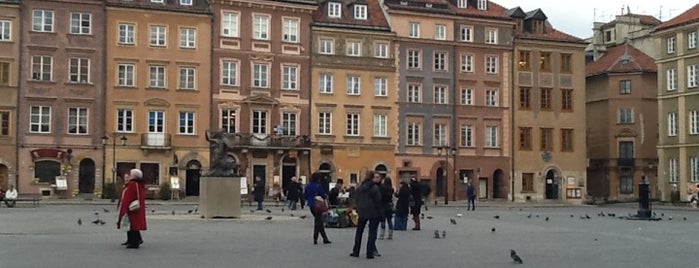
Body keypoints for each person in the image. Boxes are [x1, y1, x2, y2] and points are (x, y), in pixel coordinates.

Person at [350, 171, 383, 259]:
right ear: (372, 178)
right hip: (374, 212)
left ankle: (356, 251)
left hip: (362, 211)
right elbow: (378, 200)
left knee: (359, 232)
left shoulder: (360, 188)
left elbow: (356, 198)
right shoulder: (375, 188)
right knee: (372, 232)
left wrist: (358, 208)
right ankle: (369, 253)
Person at [116, 169, 147, 249]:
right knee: (131, 224)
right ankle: (132, 240)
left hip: (131, 207)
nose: (129, 176)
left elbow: (130, 196)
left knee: (132, 224)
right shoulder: (137, 183)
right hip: (133, 207)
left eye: (131, 174)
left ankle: (134, 242)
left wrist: (125, 206)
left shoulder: (133, 184)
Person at [304, 172, 331, 245]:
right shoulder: (318, 186)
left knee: (319, 221)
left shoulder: (308, 186)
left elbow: (305, 196)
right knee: (318, 222)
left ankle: (324, 238)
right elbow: (323, 195)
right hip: (318, 205)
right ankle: (315, 239)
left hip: (311, 205)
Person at [378, 175, 395, 240]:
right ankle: (390, 235)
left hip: (382, 205)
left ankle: (382, 235)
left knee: (383, 220)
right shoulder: (391, 189)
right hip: (389, 205)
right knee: (389, 220)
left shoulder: (382, 188)